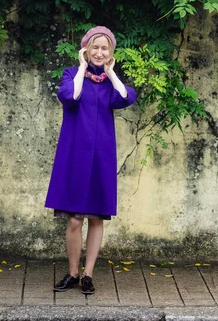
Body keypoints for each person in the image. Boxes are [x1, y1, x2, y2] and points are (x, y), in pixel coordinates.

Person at [45, 26, 136, 295]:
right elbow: (70, 97)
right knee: (74, 220)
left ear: (111, 53)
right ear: (86, 49)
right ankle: (72, 273)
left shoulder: (110, 82)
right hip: (74, 155)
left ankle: (88, 275)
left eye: (104, 48)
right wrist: (83, 68)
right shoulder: (71, 75)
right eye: (94, 47)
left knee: (96, 218)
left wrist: (110, 72)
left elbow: (125, 98)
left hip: (101, 157)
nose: (99, 52)